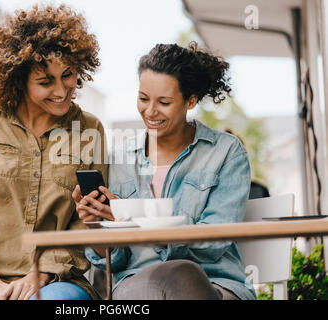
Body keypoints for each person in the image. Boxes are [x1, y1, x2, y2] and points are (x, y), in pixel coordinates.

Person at [0, 4, 106, 300]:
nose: (62, 90)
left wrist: (41, 273)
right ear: (18, 79)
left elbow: (83, 224)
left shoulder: (89, 129)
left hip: (56, 279)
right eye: (45, 81)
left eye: (68, 74)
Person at [72, 43, 257, 300]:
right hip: (138, 282)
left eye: (165, 102)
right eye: (143, 98)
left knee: (181, 273)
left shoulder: (225, 152)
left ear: (190, 100)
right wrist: (97, 226)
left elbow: (213, 243)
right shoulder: (120, 157)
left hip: (216, 284)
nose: (150, 111)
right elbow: (111, 260)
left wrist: (136, 223)